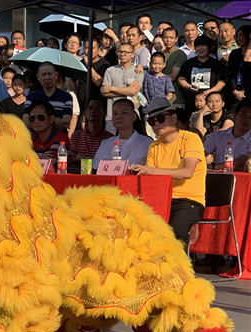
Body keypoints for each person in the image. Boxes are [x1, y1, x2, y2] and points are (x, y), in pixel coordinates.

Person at [133, 97, 206, 249]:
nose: (156, 124)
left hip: (189, 200)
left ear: (173, 118)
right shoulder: (154, 146)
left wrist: (153, 171)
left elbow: (188, 172)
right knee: (134, 224)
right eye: (151, 121)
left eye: (160, 118)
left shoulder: (190, 138)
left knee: (175, 231)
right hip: (161, 199)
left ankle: (179, 264)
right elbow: (151, 179)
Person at [92, 98, 152, 170]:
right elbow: (95, 168)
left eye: (124, 113)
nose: (119, 117)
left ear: (134, 117)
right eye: (115, 113)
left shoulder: (146, 142)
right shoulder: (105, 143)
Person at [101, 42, 144, 133]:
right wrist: (127, 91)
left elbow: (134, 91)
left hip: (132, 114)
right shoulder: (110, 70)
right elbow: (104, 92)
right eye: (120, 52)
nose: (123, 54)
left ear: (132, 55)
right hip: (112, 115)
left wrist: (111, 88)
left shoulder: (137, 71)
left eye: (126, 52)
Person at [177, 35, 226, 115]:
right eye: (198, 46)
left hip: (211, 101)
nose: (200, 48)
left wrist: (210, 91)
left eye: (203, 45)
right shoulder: (189, 63)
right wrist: (190, 87)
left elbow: (222, 82)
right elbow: (181, 79)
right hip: (192, 101)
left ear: (209, 47)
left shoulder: (216, 64)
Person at [23, 62, 73, 132]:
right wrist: (55, 121)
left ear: (56, 75)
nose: (47, 78)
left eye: (49, 74)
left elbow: (66, 122)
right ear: (38, 77)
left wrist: (38, 123)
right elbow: (26, 122)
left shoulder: (66, 97)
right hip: (36, 137)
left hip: (58, 137)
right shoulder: (31, 97)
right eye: (43, 74)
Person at [203, 98, 251, 170]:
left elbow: (240, 162)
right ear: (235, 116)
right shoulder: (217, 136)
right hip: (215, 174)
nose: (246, 119)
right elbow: (200, 153)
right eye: (243, 115)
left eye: (250, 117)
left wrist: (213, 166)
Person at [69, 98, 113, 164]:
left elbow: (106, 163)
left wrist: (84, 158)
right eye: (90, 108)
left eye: (97, 108)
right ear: (86, 112)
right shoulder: (77, 135)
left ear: (104, 113)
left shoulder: (109, 139)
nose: (93, 111)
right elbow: (71, 158)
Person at [28, 99, 70, 164]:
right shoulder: (30, 138)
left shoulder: (61, 137)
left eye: (41, 117)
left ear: (51, 119)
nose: (36, 121)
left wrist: (32, 157)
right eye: (32, 118)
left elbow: (51, 161)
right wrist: (42, 156)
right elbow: (21, 158)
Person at [226, 25, 251, 109]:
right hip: (235, 94)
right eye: (236, 36)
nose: (238, 38)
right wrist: (234, 90)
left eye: (240, 35)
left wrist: (244, 91)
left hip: (248, 93)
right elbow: (230, 73)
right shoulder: (234, 53)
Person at [162, 27, 188, 108]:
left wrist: (155, 80)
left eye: (171, 38)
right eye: (166, 37)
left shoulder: (179, 54)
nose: (168, 40)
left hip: (175, 100)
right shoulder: (159, 55)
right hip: (159, 98)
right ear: (162, 38)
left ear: (176, 39)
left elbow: (173, 76)